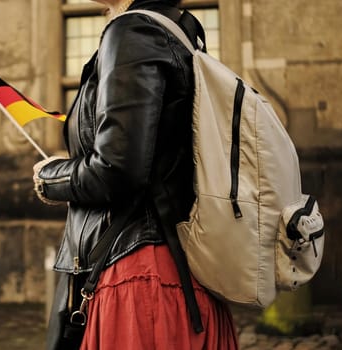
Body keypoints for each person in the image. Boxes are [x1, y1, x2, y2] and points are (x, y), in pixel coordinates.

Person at [33, 0, 238, 349]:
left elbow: (117, 171)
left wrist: (49, 178)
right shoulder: (176, 30)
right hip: (174, 276)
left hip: (142, 287)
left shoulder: (133, 31)